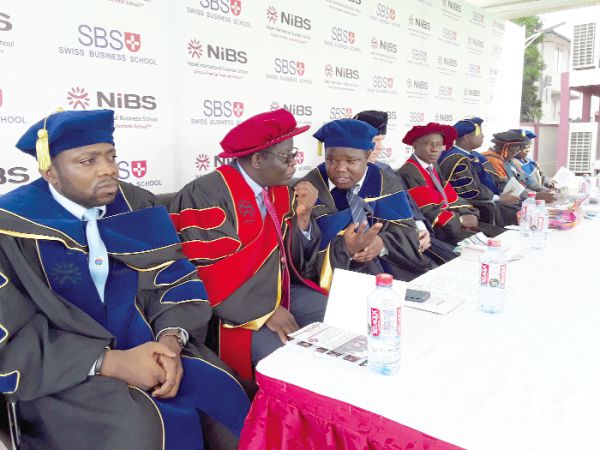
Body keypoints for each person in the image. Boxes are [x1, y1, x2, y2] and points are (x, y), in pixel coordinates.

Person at [0, 109, 250, 450]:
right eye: (87, 161)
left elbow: (175, 278)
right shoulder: (11, 227)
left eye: (111, 156)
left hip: (153, 344)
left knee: (225, 396)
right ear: (50, 171)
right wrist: (108, 362)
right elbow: (12, 333)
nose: (108, 169)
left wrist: (171, 343)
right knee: (141, 429)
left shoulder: (136, 205)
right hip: (65, 370)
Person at [169, 109, 327, 380]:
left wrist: (303, 219)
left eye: (294, 154)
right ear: (256, 159)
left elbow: (292, 260)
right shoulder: (205, 195)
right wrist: (264, 312)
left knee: (336, 314)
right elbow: (207, 272)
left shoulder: (279, 190)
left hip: (281, 291)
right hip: (232, 312)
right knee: (287, 359)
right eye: (286, 156)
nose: (294, 163)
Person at [302, 118, 433, 287]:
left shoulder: (386, 181)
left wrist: (381, 243)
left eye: (351, 161)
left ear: (367, 156)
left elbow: (407, 230)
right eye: (331, 160)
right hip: (337, 276)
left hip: (390, 266)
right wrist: (345, 248)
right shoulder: (310, 187)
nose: (340, 168)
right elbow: (306, 246)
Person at [353, 110, 458, 264]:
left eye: (382, 140)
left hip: (407, 239)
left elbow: (408, 206)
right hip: (383, 248)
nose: (380, 147)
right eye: (375, 140)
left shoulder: (385, 170)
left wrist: (420, 227)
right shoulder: (345, 176)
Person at [397, 122, 503, 245]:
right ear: (415, 146)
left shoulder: (433, 166)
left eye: (439, 144)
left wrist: (469, 213)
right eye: (428, 144)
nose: (434, 149)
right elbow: (428, 211)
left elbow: (450, 195)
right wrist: (461, 220)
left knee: (499, 233)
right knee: (487, 245)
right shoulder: (410, 172)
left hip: (452, 222)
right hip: (437, 231)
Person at [438, 117, 519, 226]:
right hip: (476, 206)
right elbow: (470, 192)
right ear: (467, 137)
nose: (483, 136)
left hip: (490, 200)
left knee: (520, 205)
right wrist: (499, 198)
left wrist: (507, 191)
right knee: (515, 213)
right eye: (479, 133)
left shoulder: (475, 156)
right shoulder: (456, 159)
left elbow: (494, 179)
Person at [481, 130, 556, 203]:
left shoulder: (506, 159)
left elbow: (526, 180)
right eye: (515, 151)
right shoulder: (491, 160)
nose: (515, 154)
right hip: (500, 204)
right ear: (506, 149)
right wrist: (535, 196)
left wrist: (546, 191)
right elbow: (509, 189)